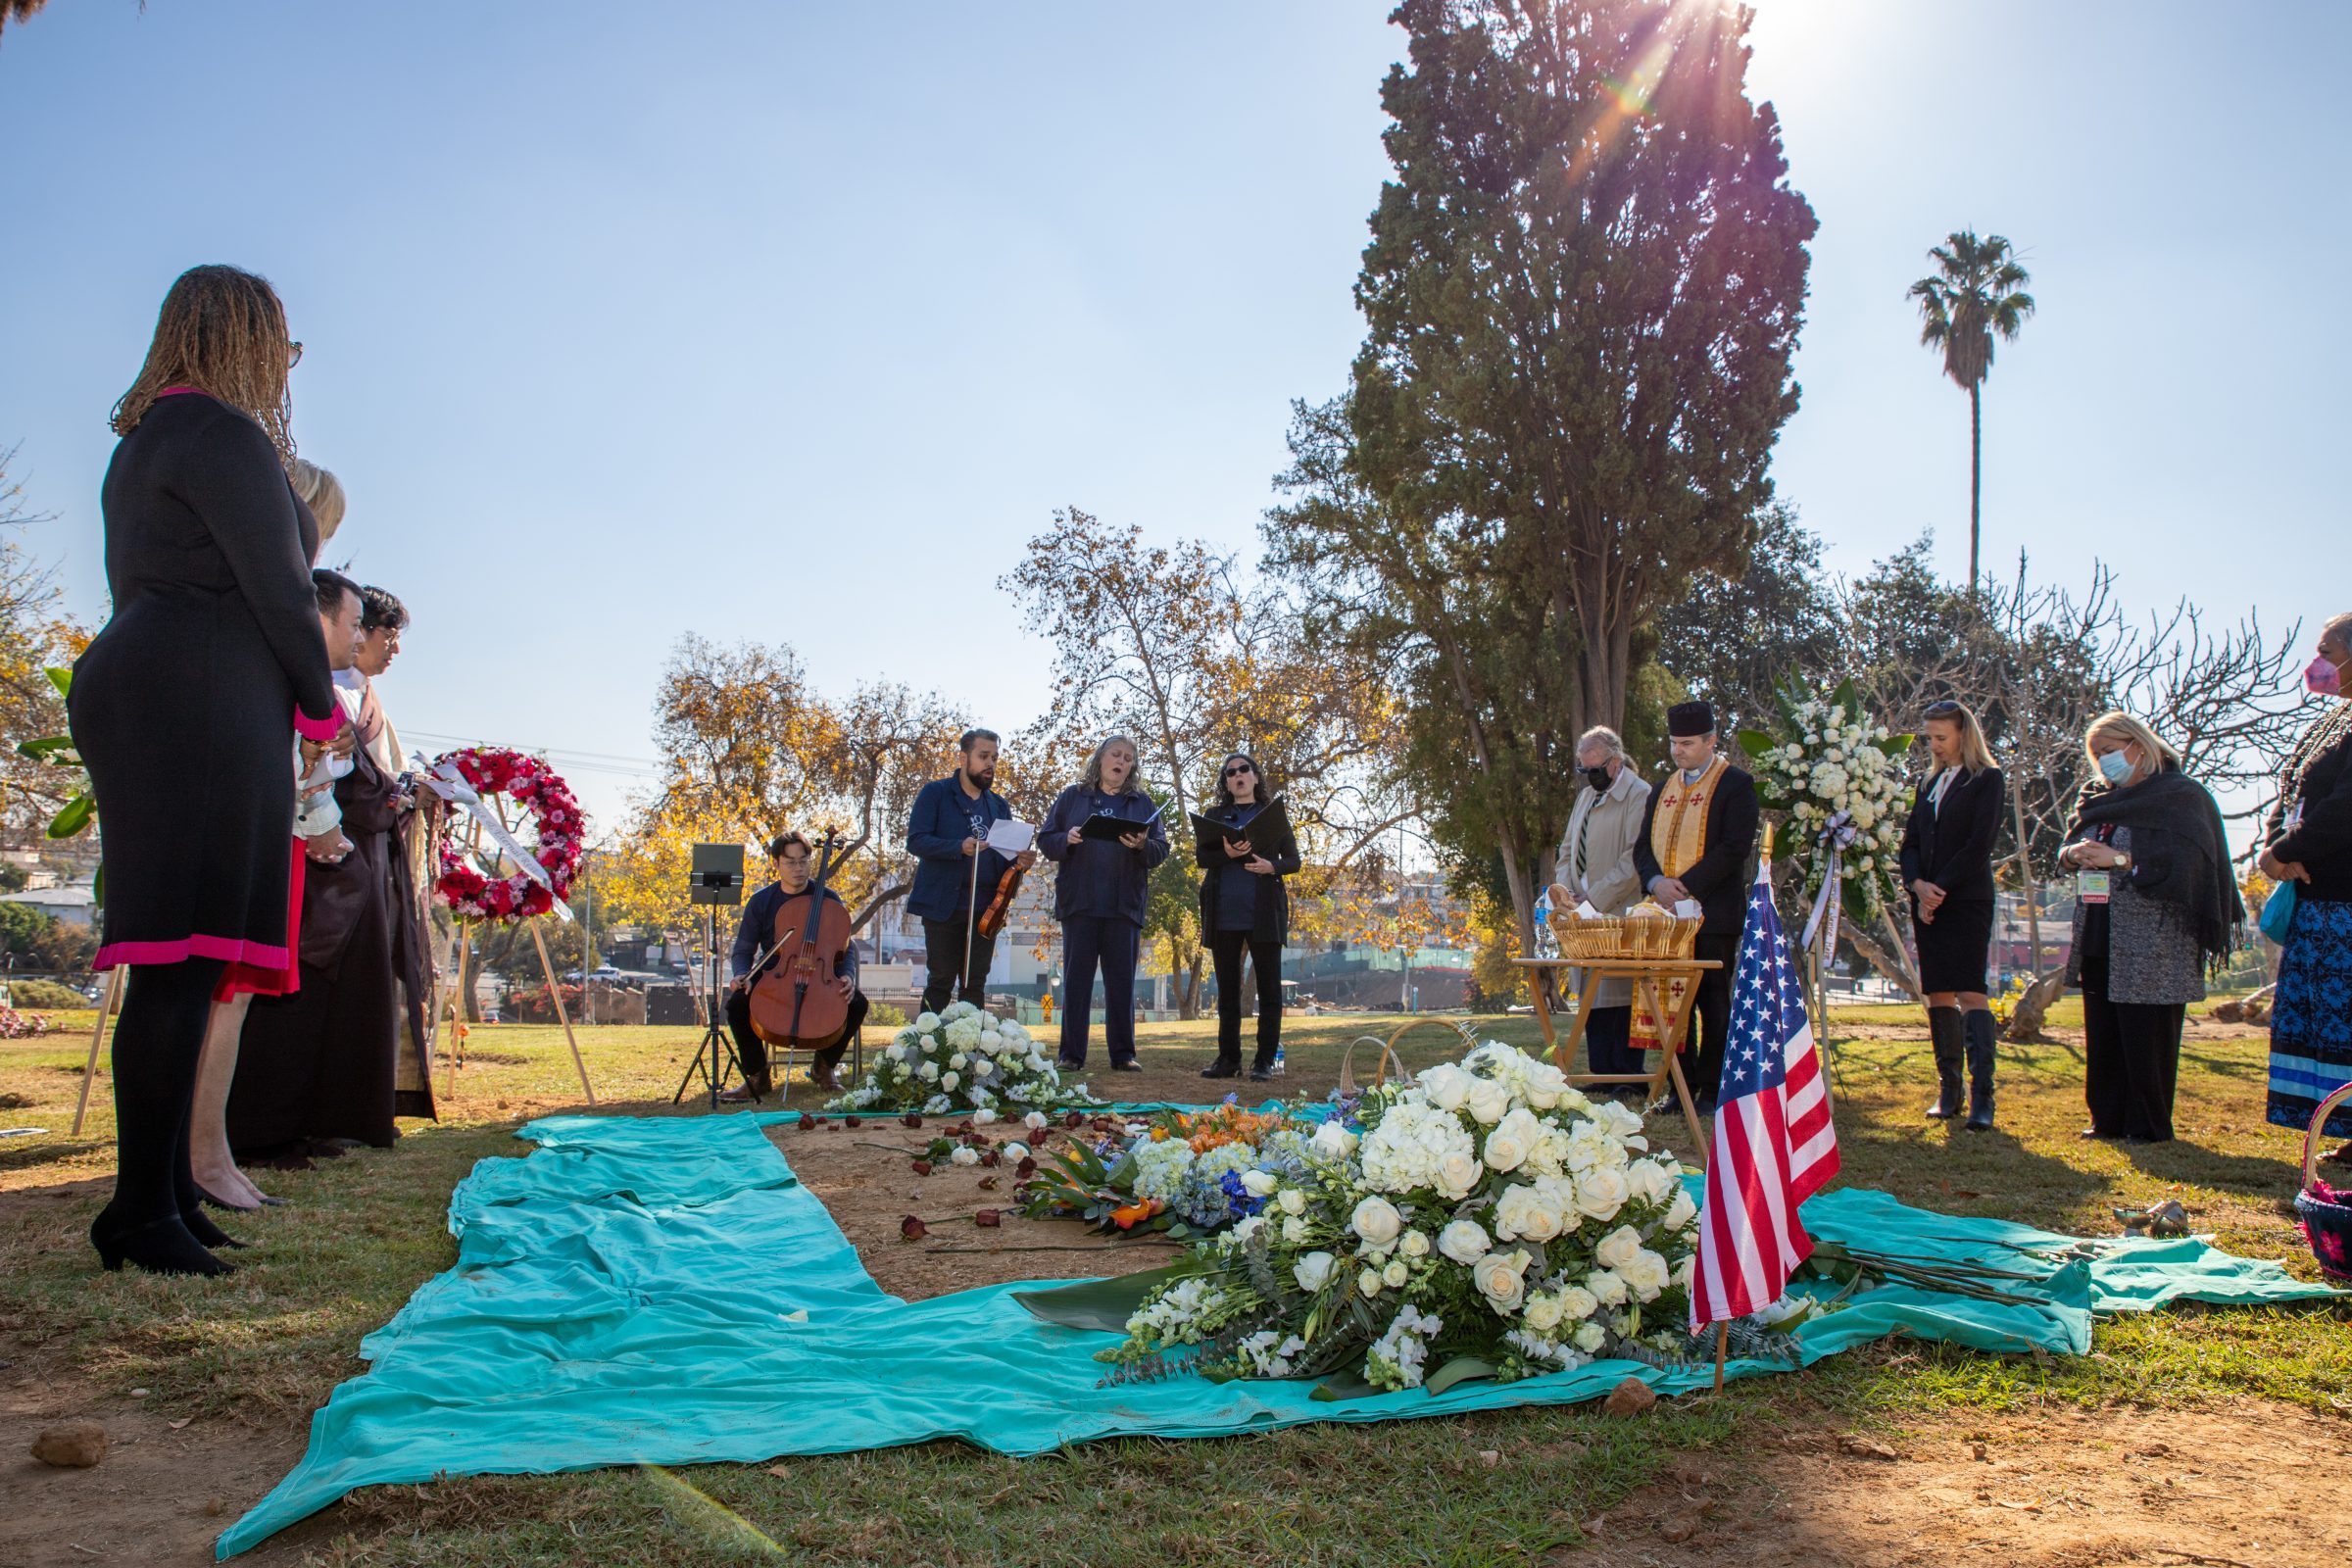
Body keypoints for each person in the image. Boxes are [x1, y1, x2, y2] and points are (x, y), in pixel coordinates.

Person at [69, 265, 337, 1274]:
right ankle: (141, 1211)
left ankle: (164, 1192)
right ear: (246, 342)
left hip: (153, 683)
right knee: (182, 959)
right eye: (282, 347)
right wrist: (317, 705)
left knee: (181, 958)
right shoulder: (224, 438)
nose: (285, 369)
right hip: (200, 695)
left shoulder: (143, 444)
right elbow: (281, 587)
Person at [226, 571, 413, 1162]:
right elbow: (327, 779)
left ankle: (330, 1117)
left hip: (360, 858)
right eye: (375, 630)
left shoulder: (364, 697)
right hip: (317, 855)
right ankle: (263, 1128)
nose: (384, 645)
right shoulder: (313, 691)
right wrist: (380, 801)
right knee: (291, 993)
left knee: (347, 1000)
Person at [2059, 712, 2236, 1145]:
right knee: (2103, 1031)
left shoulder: (2181, 797)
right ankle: (2108, 1120)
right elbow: (2066, 847)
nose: (2104, 762)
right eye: (2097, 754)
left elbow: (2189, 866)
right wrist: (2074, 853)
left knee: (2146, 1034)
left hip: (2156, 937)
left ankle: (2148, 1125)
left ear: (2139, 745)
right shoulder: (2096, 799)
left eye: (2110, 750)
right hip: (2102, 927)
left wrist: (2119, 860)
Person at [1631, 701, 1759, 1115]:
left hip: (1712, 913)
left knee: (1712, 1000)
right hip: (1665, 917)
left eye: (1686, 743)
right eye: (1673, 743)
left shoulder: (1736, 784)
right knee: (1670, 1002)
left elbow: (1734, 847)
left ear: (1710, 740)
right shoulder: (1661, 788)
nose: (1678, 751)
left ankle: (1711, 1089)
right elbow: (1642, 848)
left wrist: (1685, 886)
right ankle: (1678, 1086)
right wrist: (1656, 884)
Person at [2260, 612, 2352, 1156]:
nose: (2318, 662)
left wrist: (2289, 851)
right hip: (2315, 903)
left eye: (2328, 649)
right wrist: (2275, 849)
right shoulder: (2331, 724)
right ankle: (2341, 1126)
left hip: (2345, 900)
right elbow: (2291, 791)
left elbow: (2343, 810)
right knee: (2325, 1021)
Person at [351, 584, 438, 1121]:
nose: (395, 650)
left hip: (375, 855)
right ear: (357, 630)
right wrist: (406, 793)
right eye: (390, 636)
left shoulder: (364, 695)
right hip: (345, 858)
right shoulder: (330, 694)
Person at [1898, 698, 2006, 1129]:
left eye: (1941, 737)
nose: (1935, 745)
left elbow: (1979, 846)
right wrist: (1917, 885)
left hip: (1965, 899)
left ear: (1964, 734)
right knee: (1938, 990)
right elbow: (1910, 844)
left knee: (1969, 990)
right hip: (1926, 900)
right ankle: (1949, 1089)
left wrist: (1939, 887)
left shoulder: (1987, 779)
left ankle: (1984, 1096)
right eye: (1930, 738)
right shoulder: (1929, 783)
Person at [1040, 735, 1169, 1072]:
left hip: (1124, 906)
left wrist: (1142, 846)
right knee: (1077, 982)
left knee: (1121, 984)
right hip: (1079, 903)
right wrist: (1065, 839)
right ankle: (1070, 1055)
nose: (1121, 761)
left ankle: (1123, 1054)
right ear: (1100, 759)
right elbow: (1045, 840)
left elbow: (1161, 850)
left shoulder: (1142, 803)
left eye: (1128, 758)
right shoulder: (1073, 796)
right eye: (1116, 754)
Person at [721, 832, 867, 1100]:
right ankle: (758, 1075)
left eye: (803, 861)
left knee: (856, 1003)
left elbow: (846, 947)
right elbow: (743, 949)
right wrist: (742, 974)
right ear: (776, 863)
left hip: (820, 977)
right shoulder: (761, 902)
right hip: (776, 979)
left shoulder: (829, 898)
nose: (798, 868)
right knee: (737, 1005)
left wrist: (847, 975)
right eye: (790, 862)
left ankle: (824, 1067)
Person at [905, 729, 1035, 1013]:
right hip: (943, 905)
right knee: (940, 980)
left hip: (987, 910)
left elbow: (1005, 862)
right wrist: (957, 847)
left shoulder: (998, 805)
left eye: (995, 758)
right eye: (984, 756)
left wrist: (1020, 863)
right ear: (964, 757)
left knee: (974, 983)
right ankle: (927, 1048)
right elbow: (915, 840)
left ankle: (970, 1053)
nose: (991, 764)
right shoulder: (935, 793)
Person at [1552, 726, 1652, 1094]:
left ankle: (1627, 1076)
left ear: (1615, 761)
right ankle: (1602, 1072)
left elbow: (1633, 860)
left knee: (1621, 991)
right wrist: (1567, 894)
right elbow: (1567, 850)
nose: (1590, 776)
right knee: (1593, 991)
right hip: (1583, 914)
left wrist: (1594, 898)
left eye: (1596, 769)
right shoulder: (1585, 799)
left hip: (1618, 910)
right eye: (1583, 770)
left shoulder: (1639, 795)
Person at [1195, 752, 1299, 1081]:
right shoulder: (1215, 816)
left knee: (1269, 992)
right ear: (1226, 782)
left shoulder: (1272, 816)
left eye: (1243, 769)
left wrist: (1273, 866)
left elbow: (1294, 860)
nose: (1237, 775)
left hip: (1264, 913)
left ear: (1255, 776)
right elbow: (1201, 857)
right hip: (1224, 913)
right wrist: (1225, 853)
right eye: (1230, 773)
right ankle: (1229, 1060)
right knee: (1227, 993)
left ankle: (1264, 1061)